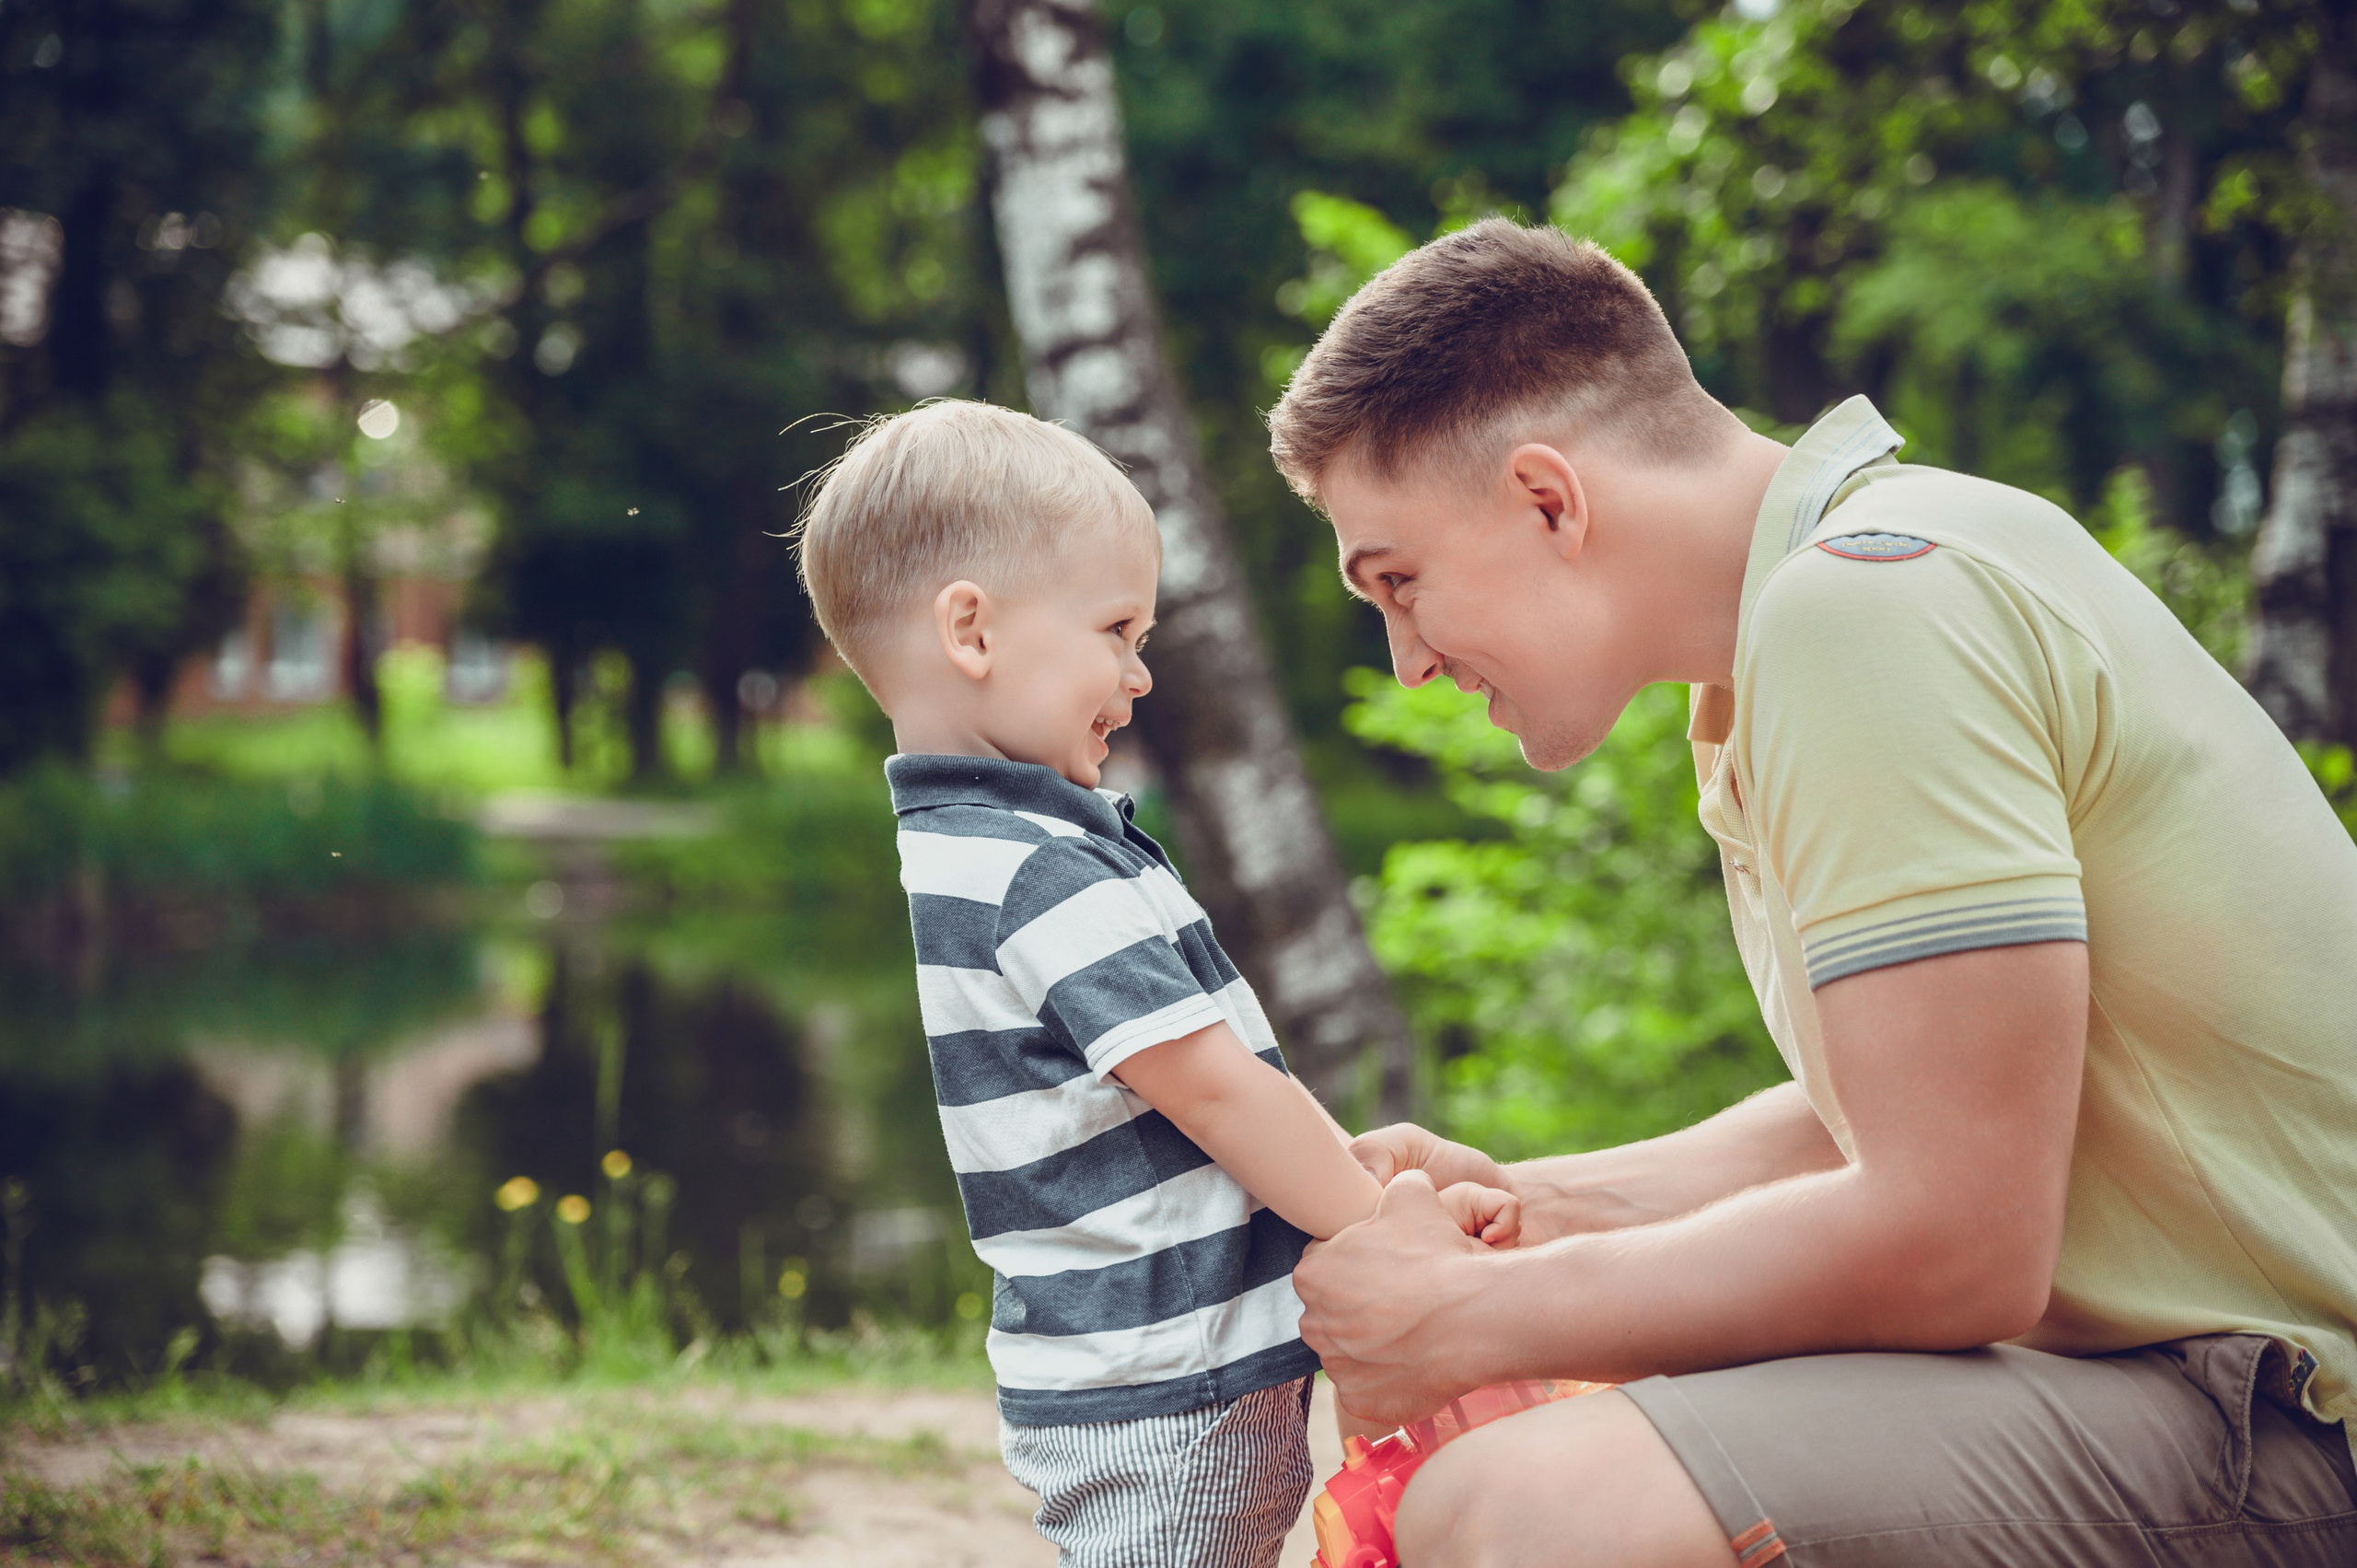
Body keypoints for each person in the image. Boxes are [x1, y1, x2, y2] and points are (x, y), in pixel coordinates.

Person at [1265, 218, 2357, 1568]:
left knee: (1529, 1504)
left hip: (2299, 1418)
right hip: (2201, 1381)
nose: (1409, 658)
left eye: (1400, 580)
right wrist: (1536, 1212)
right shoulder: (1839, 602)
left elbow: (1959, 1238)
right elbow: (1929, 1090)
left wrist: (1482, 1315)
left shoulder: (1870, 610)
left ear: (1550, 498)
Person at [790, 400, 1518, 1568]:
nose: (1137, 673)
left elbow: (1213, 1077)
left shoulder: (1018, 842)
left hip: (1172, 1366)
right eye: (1117, 629)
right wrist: (1389, 1233)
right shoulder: (1030, 869)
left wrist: (1345, 1163)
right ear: (971, 630)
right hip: (1161, 1392)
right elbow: (1213, 1092)